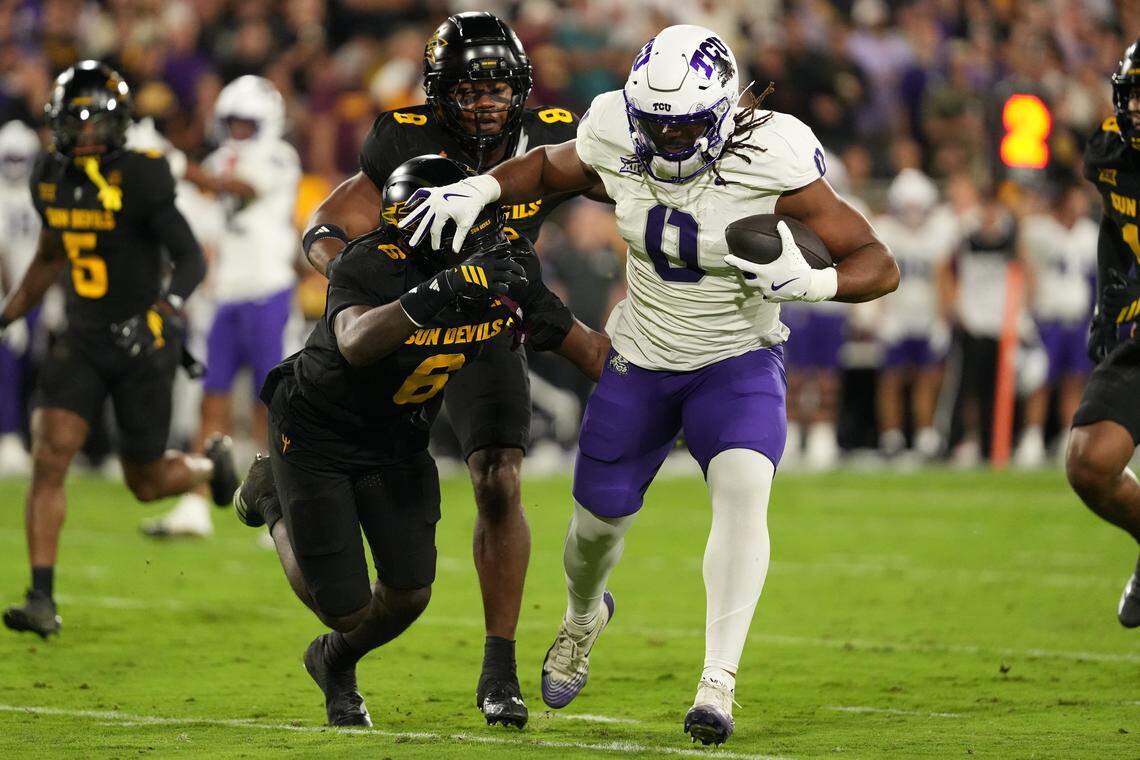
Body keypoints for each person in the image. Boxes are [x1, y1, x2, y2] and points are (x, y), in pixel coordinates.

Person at [401, 24, 899, 745]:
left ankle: (717, 683)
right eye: (655, 124)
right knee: (593, 533)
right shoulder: (611, 125)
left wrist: (818, 282)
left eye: (685, 125)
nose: (667, 140)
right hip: (642, 358)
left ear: (724, 113)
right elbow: (545, 169)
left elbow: (877, 261)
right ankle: (582, 615)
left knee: (742, 496)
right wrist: (479, 187)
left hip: (738, 359)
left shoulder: (773, 153)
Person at [244, 11, 592, 727]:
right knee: (350, 586)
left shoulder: (557, 133)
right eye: (470, 88)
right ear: (439, 92)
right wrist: (383, 293)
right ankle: (286, 489)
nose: (488, 102)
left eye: (500, 88)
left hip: (494, 303)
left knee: (499, 475)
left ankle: (500, 672)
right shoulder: (405, 139)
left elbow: (637, 188)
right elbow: (329, 229)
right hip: (419, 312)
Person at [0, 61, 238, 638]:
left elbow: (190, 258)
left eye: (93, 120)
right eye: (72, 121)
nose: (83, 133)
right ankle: (41, 597)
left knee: (145, 483)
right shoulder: (50, 175)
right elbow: (52, 256)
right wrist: (6, 313)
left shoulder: (144, 175)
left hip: (143, 340)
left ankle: (211, 465)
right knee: (51, 452)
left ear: (118, 124)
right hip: (80, 336)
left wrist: (162, 311)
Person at [142, 75, 300, 538]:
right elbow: (204, 225)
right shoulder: (215, 160)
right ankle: (195, 504)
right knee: (211, 401)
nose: (239, 131)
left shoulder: (278, 157)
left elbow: (241, 187)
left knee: (270, 406)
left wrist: (176, 164)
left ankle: (279, 510)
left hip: (269, 291)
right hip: (227, 294)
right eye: (232, 122)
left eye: (247, 123)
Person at [1066, 39, 1140, 629]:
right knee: (1090, 462)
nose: (1136, 108)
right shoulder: (1110, 153)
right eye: (1133, 94)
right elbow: (1116, 229)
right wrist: (1107, 305)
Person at [873, 168, 959, 459]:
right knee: (891, 378)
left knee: (927, 378)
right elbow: (876, 275)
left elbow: (943, 277)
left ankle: (924, 434)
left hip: (926, 315)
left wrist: (942, 320)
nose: (912, 214)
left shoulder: (940, 231)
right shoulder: (885, 230)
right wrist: (881, 315)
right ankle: (891, 437)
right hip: (896, 314)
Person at [1014, 182, 1098, 468]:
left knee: (1074, 380)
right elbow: (1023, 259)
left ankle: (1068, 436)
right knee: (1039, 381)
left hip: (1077, 317)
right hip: (1046, 316)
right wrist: (1023, 310)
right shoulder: (1040, 230)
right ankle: (1032, 437)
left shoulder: (1090, 234)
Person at [0, 120, 43, 475]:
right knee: (8, 368)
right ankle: (9, 436)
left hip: (38, 293)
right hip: (11, 295)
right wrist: (10, 301)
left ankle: (30, 438)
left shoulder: (39, 193)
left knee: (38, 369)